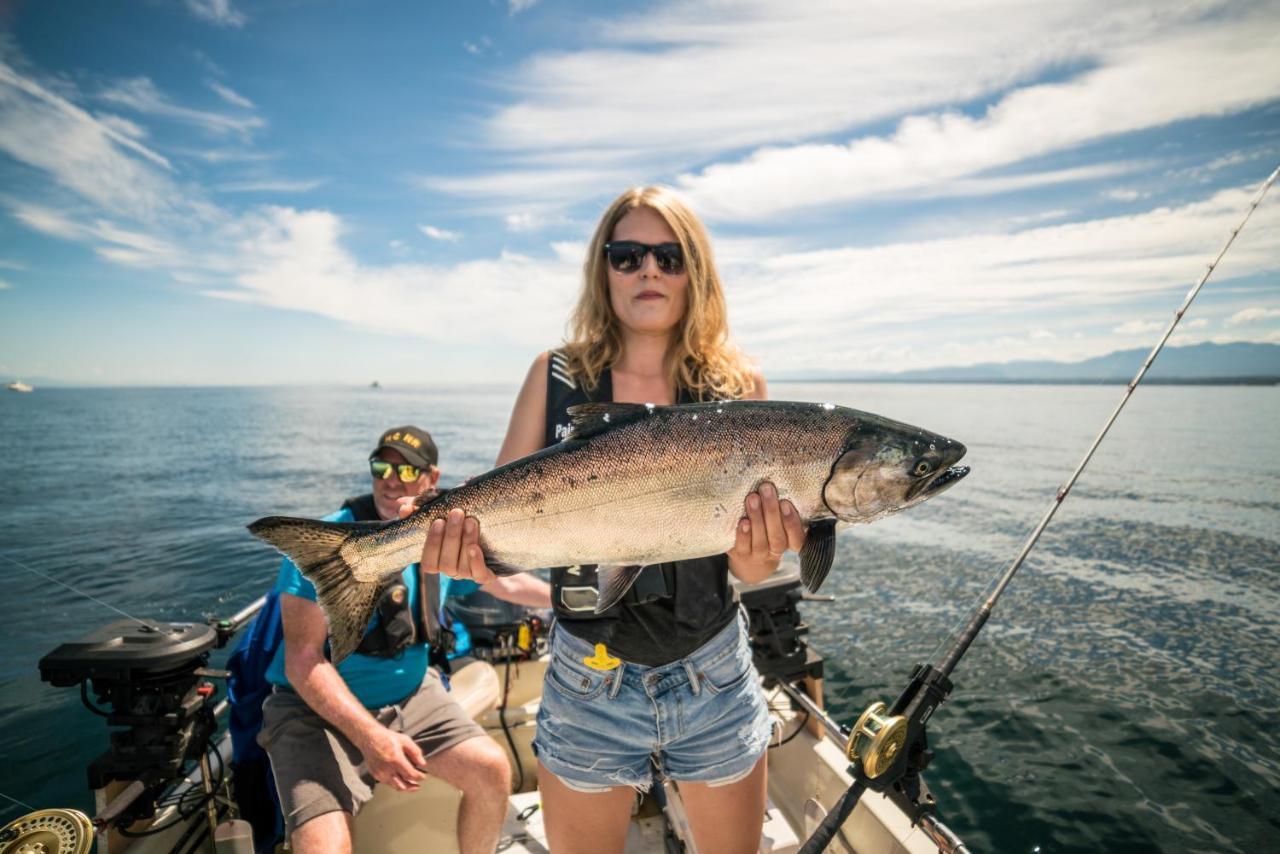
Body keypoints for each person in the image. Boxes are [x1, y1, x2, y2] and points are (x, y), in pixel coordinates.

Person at [416, 187, 807, 854]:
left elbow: (748, 567)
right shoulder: (556, 374)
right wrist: (463, 548)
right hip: (586, 676)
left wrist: (764, 552)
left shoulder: (739, 387)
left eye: (668, 255)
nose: (648, 270)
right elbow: (494, 517)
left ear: (696, 271)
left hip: (712, 668)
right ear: (604, 271)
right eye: (626, 256)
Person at [258, 425, 551, 854]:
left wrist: (567, 601)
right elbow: (302, 660)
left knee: (492, 770)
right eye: (382, 466)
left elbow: (504, 586)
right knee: (323, 846)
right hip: (314, 712)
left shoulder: (444, 540)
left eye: (408, 471)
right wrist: (372, 739)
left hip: (414, 695)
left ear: (432, 478)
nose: (392, 479)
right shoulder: (331, 541)